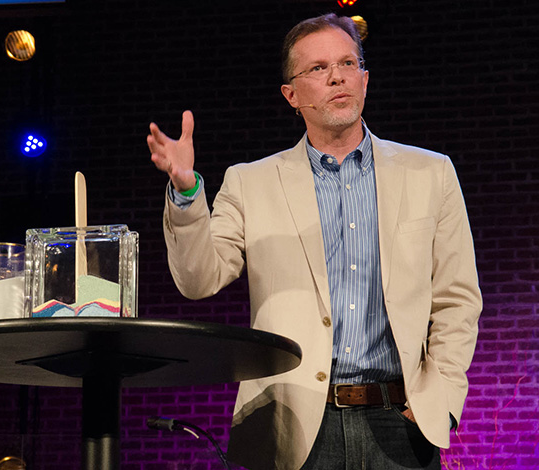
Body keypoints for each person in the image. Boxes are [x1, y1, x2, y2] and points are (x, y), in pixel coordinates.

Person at [146, 12, 481, 470]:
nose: (337, 76)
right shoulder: (251, 182)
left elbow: (457, 300)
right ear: (291, 95)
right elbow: (198, 279)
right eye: (319, 69)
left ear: (364, 78)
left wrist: (441, 397)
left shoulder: (430, 172)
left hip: (399, 423)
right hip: (294, 425)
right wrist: (186, 191)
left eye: (348, 63)